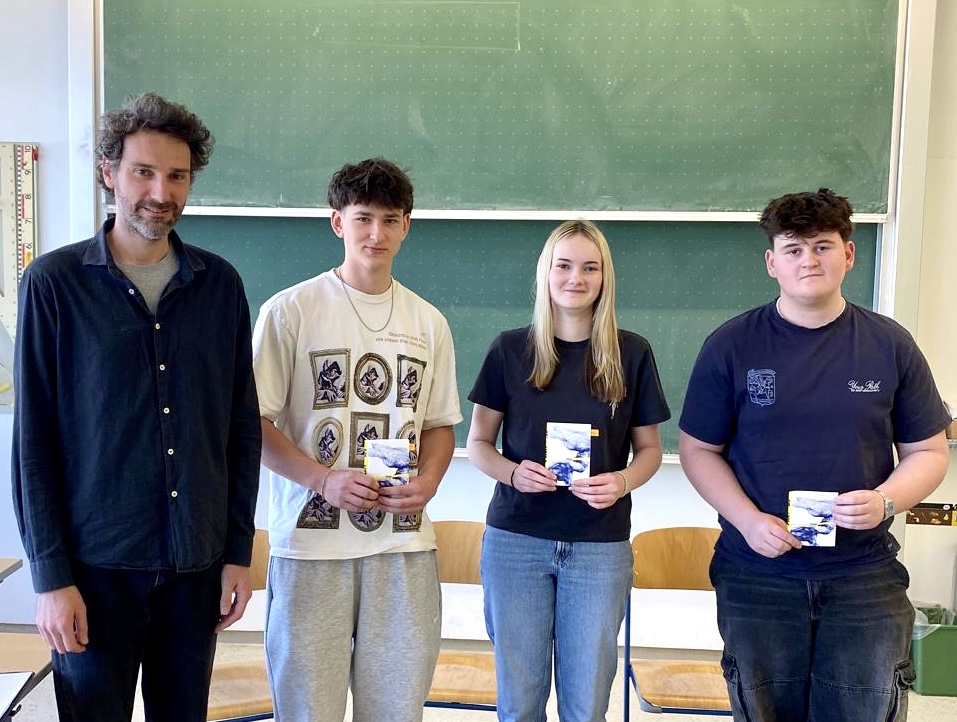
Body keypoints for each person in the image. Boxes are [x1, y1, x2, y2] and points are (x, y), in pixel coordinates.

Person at [11, 92, 262, 722]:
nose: (161, 191)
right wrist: (50, 577)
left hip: (195, 565)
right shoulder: (53, 284)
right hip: (94, 571)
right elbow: (32, 442)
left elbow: (238, 430)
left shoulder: (220, 285)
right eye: (143, 172)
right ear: (108, 172)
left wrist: (237, 551)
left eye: (177, 176)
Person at [678, 188, 950, 722]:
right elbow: (697, 450)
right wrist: (749, 521)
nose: (810, 260)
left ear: (849, 255)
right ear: (771, 263)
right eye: (794, 249)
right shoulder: (731, 346)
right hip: (757, 573)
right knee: (763, 710)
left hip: (862, 575)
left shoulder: (890, 345)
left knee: (862, 710)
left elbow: (929, 450)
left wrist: (886, 501)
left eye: (823, 246)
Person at [253, 157, 461, 722]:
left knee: (395, 710)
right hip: (310, 548)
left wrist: (430, 482)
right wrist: (323, 480)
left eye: (390, 220)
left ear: (406, 226)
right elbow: (255, 424)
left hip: (402, 548)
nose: (377, 234)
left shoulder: (429, 322)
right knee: (307, 709)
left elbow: (440, 424)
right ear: (337, 222)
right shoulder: (289, 311)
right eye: (363, 217)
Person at [467, 219, 670, 722]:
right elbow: (477, 444)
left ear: (604, 277)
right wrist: (514, 474)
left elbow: (648, 450)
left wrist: (621, 481)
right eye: (563, 265)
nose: (575, 278)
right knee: (520, 703)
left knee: (586, 705)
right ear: (546, 273)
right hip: (516, 541)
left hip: (599, 546)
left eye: (589, 267)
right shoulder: (509, 350)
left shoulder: (633, 353)